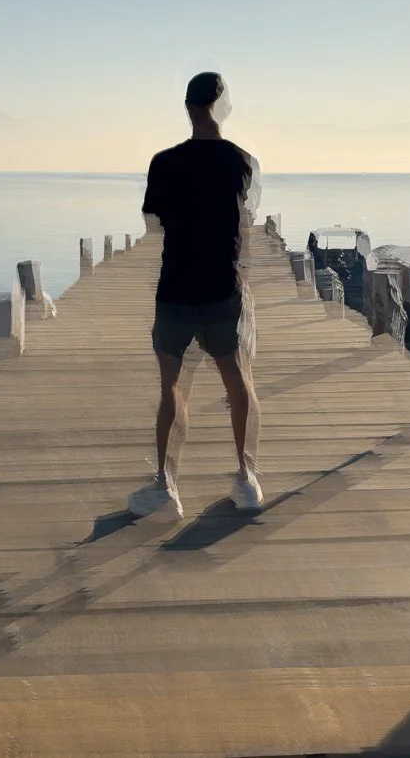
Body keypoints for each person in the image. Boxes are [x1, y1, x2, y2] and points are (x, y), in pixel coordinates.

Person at [127, 71, 263, 519]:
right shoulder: (243, 161)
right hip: (224, 286)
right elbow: (249, 214)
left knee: (171, 385)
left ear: (187, 107)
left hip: (176, 289)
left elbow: (153, 225)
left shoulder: (163, 162)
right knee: (236, 378)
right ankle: (246, 480)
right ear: (221, 106)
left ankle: (166, 488)